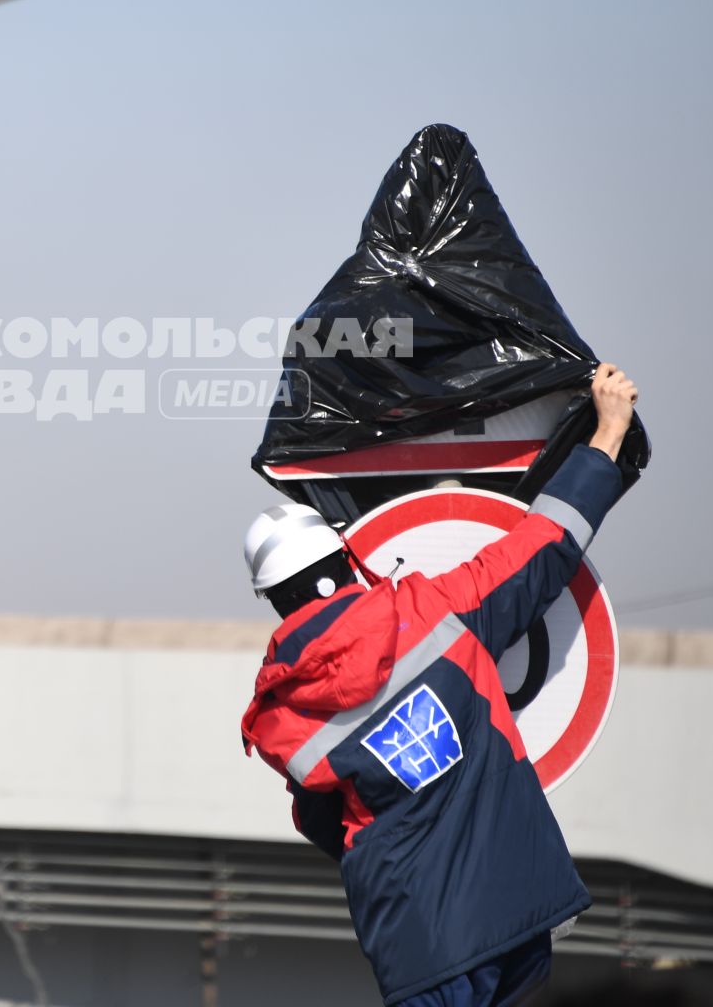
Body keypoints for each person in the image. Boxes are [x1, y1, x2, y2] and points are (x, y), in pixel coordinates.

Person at [240, 363, 640, 1007]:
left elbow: (326, 824)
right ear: (346, 559)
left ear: (278, 603)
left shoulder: (287, 719)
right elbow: (544, 547)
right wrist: (608, 435)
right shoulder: (437, 614)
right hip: (516, 908)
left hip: (417, 947)